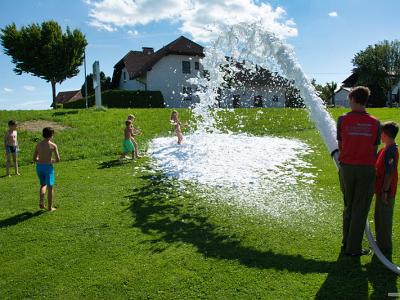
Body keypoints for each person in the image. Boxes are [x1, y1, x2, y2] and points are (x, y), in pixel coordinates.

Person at [337, 86, 381, 256]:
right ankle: (353, 249)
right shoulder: (375, 122)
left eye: (349, 99)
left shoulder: (342, 119)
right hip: (366, 169)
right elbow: (374, 148)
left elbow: (341, 146)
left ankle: (346, 243)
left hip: (346, 168)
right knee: (360, 209)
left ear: (354, 99)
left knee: (348, 206)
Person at [374, 121, 399, 260]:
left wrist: (385, 192)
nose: (380, 135)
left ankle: (385, 248)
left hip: (386, 192)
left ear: (386, 134)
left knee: (384, 220)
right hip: (380, 190)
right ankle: (380, 245)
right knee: (378, 218)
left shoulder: (391, 150)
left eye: (381, 133)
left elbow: (389, 174)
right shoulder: (384, 149)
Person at [32, 127, 60, 212]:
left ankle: (41, 201)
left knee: (43, 184)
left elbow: (34, 158)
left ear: (43, 134)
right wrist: (51, 160)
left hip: (39, 167)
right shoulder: (53, 145)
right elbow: (58, 159)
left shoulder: (38, 145)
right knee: (50, 188)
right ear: (52, 135)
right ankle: (49, 207)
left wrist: (40, 160)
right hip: (48, 168)